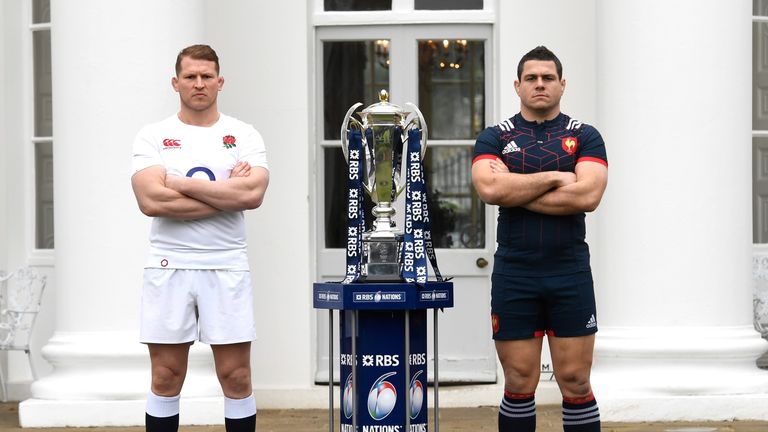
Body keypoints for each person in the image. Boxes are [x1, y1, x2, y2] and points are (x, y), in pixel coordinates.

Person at [131, 44, 269, 432]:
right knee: (166, 376)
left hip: (226, 263)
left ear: (220, 82)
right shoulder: (154, 135)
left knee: (236, 376)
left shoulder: (243, 134)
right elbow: (150, 200)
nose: (199, 83)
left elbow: (252, 194)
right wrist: (225, 194)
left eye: (207, 76)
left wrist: (178, 183)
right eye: (190, 76)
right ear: (175, 83)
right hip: (169, 263)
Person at [471, 46, 608, 432]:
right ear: (517, 86)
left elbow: (588, 196)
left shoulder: (585, 136)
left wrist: (514, 188)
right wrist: (556, 178)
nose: (540, 84)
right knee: (518, 381)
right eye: (531, 78)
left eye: (548, 78)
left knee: (576, 381)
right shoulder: (494, 137)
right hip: (515, 272)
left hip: (569, 271)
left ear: (562, 84)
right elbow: (489, 189)